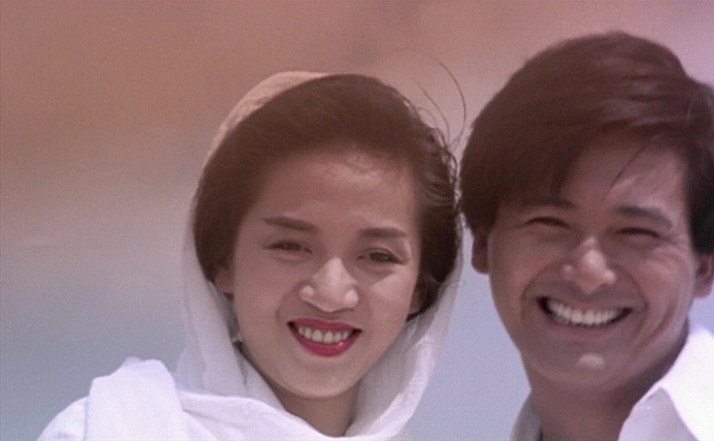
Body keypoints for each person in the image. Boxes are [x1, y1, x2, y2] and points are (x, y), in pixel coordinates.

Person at [40, 71, 461, 440]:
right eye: (290, 246)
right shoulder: (108, 430)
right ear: (223, 259)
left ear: (422, 288)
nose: (331, 295)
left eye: (378, 256)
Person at [460, 32, 714, 441]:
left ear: (705, 265)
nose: (589, 272)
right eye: (550, 223)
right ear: (483, 243)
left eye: (636, 233)